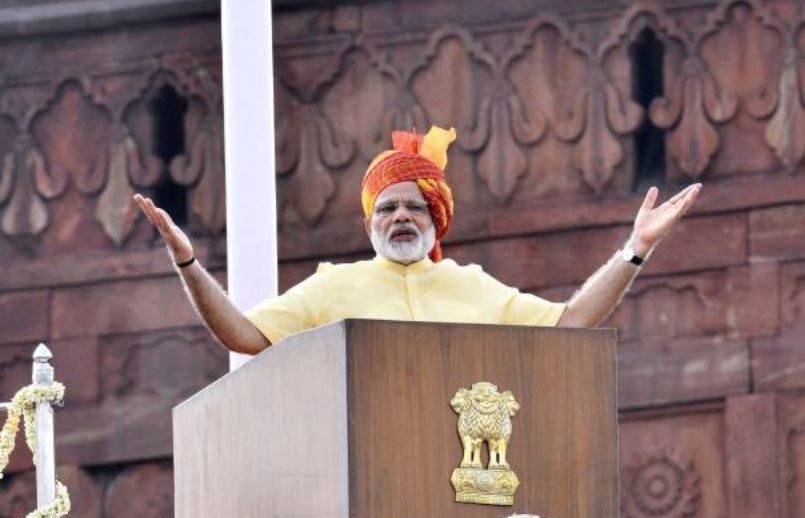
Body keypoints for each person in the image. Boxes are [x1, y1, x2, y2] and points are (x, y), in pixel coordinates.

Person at [133, 126, 701, 355]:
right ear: (369, 224)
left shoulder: (473, 287)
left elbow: (573, 323)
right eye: (387, 207)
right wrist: (185, 259)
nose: (401, 216)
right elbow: (245, 336)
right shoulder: (335, 285)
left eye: (415, 205)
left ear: (437, 219)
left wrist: (635, 250)